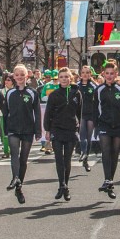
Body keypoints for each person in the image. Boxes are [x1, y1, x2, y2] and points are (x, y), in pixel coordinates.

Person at [1, 64, 40, 204]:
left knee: (23, 159)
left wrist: (38, 131)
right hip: (13, 129)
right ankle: (14, 178)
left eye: (21, 75)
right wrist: (5, 129)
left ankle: (19, 186)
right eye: (16, 75)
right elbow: (5, 113)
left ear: (26, 76)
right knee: (14, 154)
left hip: (28, 130)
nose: (19, 77)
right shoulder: (10, 93)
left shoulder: (33, 93)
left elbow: (37, 113)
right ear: (13, 76)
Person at [94, 62, 120, 199]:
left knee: (115, 153)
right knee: (106, 151)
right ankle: (107, 179)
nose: (109, 76)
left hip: (119, 125)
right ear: (103, 74)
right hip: (104, 125)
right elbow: (95, 108)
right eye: (107, 73)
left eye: (112, 73)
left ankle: (110, 181)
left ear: (116, 74)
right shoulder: (99, 90)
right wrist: (96, 125)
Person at [43, 68, 81, 201]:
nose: (64, 79)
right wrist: (47, 130)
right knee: (59, 159)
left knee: (67, 159)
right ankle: (61, 185)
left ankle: (66, 186)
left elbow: (79, 112)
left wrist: (78, 127)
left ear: (70, 78)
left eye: (66, 76)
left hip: (71, 129)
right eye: (61, 77)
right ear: (58, 79)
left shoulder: (76, 93)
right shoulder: (54, 94)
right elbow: (48, 113)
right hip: (57, 129)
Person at [76, 67, 98, 172]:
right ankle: (83, 153)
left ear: (90, 74)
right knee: (82, 135)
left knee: (89, 138)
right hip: (80, 114)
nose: (85, 75)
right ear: (80, 74)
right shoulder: (76, 86)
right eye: (83, 73)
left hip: (91, 114)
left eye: (87, 73)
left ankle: (86, 158)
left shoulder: (94, 86)